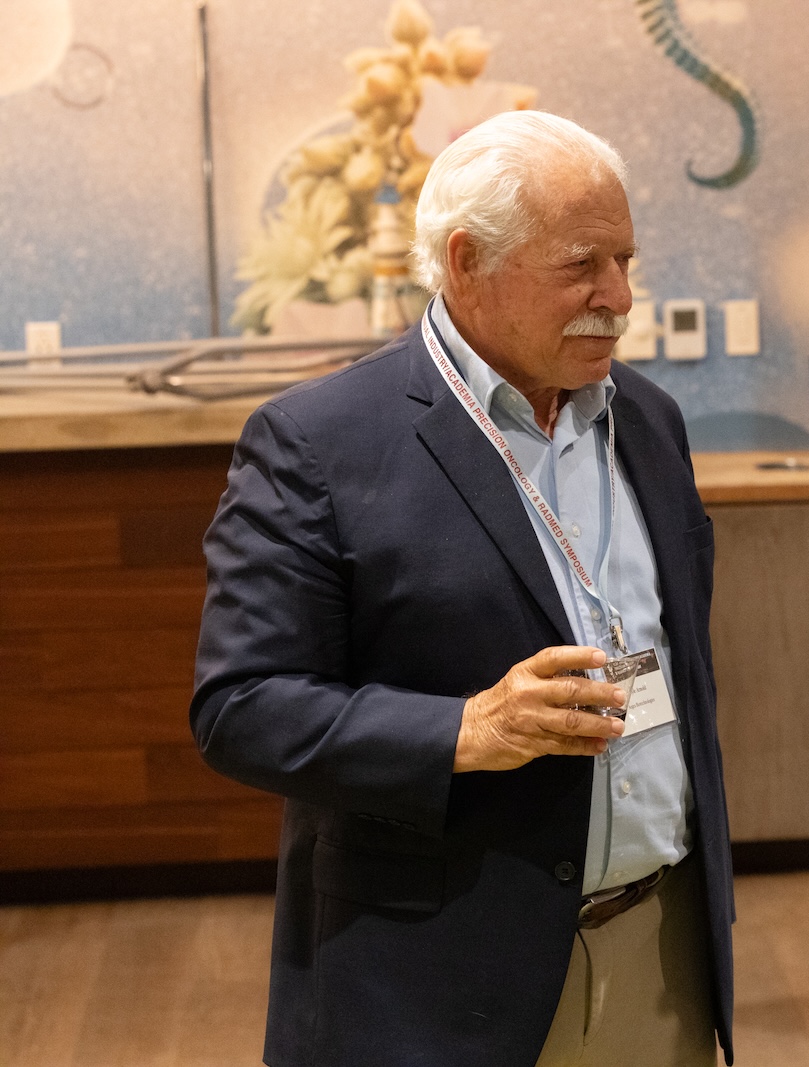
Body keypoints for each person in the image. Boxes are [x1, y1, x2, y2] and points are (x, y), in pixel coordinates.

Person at [192, 110, 734, 1067]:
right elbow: (241, 707)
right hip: (435, 984)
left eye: (625, 260)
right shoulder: (317, 444)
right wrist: (467, 730)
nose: (618, 296)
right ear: (466, 260)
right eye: (581, 265)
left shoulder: (650, 420)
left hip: (662, 955)